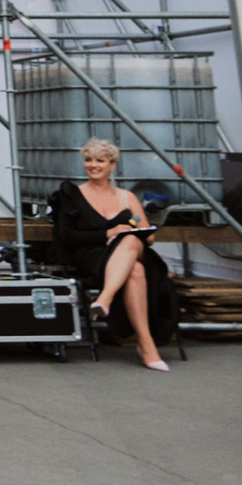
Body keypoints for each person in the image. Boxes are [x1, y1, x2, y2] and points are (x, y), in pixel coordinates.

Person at [48, 138, 174, 370]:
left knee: (131, 240)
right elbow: (67, 237)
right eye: (88, 160)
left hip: (130, 250)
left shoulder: (127, 197)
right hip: (92, 256)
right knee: (135, 270)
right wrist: (109, 233)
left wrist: (130, 229)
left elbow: (150, 238)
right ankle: (146, 345)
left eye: (100, 160)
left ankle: (105, 298)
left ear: (112, 165)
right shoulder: (72, 195)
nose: (93, 165)